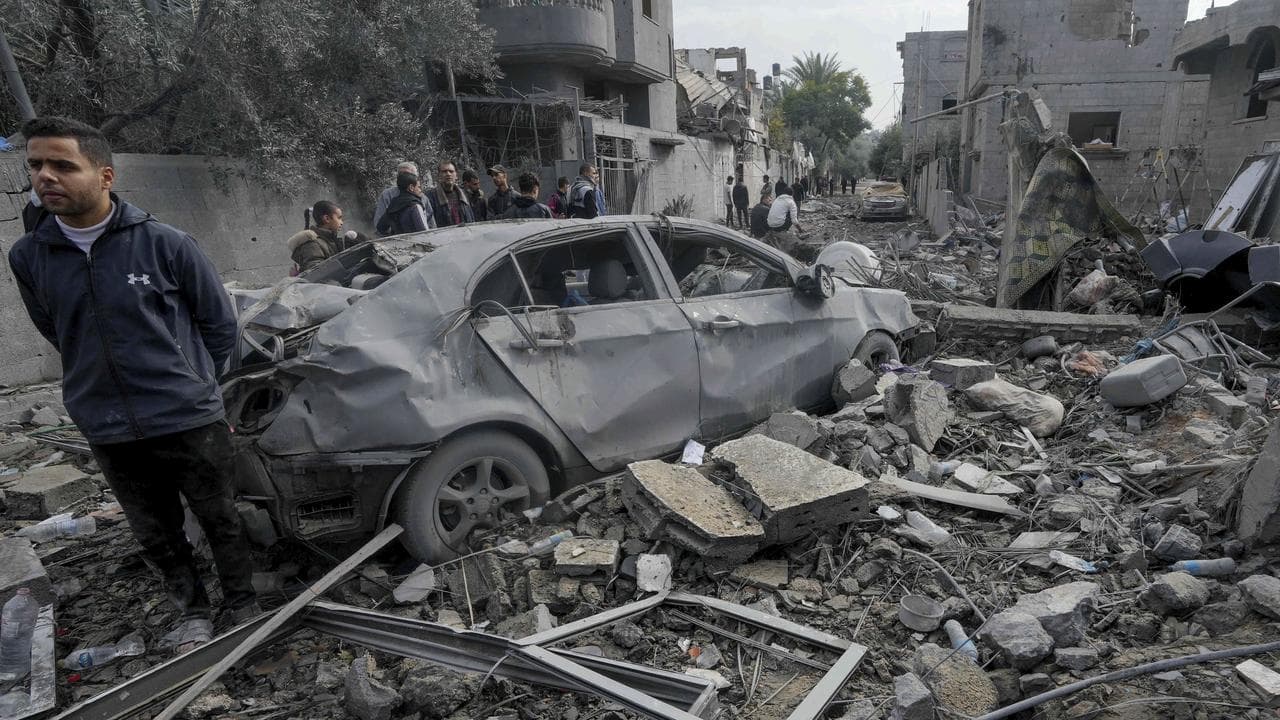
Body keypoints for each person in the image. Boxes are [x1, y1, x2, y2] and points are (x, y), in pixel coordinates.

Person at [7, 117, 258, 652]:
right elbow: (56, 329)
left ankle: (242, 604)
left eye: (61, 165)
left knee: (220, 515)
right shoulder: (29, 257)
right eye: (35, 165)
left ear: (104, 176)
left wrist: (195, 386)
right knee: (154, 531)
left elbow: (219, 325)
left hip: (187, 417)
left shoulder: (165, 244)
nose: (45, 176)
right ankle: (191, 611)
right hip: (106, 422)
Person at [289, 200, 360, 273]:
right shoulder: (312, 244)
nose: (342, 222)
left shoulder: (331, 240)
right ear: (327, 219)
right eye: (339, 218)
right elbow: (317, 273)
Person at [377, 171, 430, 236]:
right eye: (418, 187)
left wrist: (392, 237)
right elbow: (425, 233)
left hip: (397, 245)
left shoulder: (393, 205)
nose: (420, 190)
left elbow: (380, 228)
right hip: (416, 244)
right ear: (411, 188)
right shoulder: (415, 206)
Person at [373, 161, 419, 235]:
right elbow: (379, 224)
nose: (403, 177)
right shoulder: (387, 195)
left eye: (407, 175)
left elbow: (430, 223)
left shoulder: (422, 197)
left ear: (415, 178)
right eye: (400, 175)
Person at [424, 161, 475, 228]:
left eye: (451, 171)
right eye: (444, 171)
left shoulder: (465, 195)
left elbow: (472, 220)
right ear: (439, 175)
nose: (448, 174)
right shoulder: (430, 197)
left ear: (456, 175)